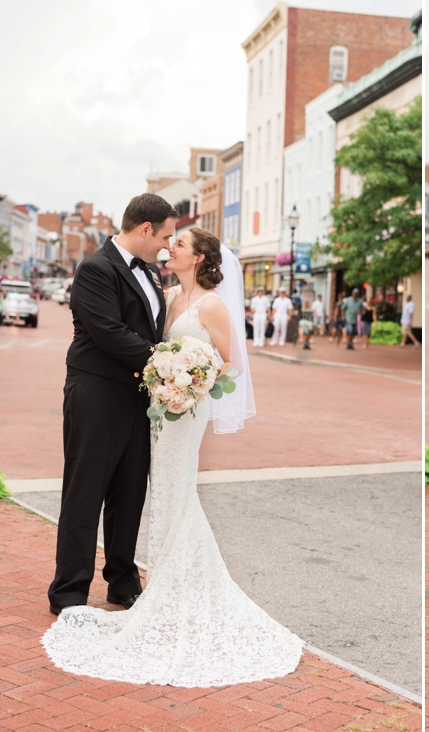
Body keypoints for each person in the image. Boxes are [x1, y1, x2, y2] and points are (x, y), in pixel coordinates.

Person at [43, 227, 302, 686]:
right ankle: (156, 583)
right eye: (168, 239)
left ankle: (165, 584)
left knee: (176, 491)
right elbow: (144, 339)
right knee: (156, 491)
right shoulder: (166, 293)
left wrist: (190, 382)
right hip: (159, 407)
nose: (170, 247)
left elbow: (231, 361)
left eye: (178, 244)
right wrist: (168, 375)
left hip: (185, 408)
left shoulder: (213, 304)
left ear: (200, 258)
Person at [48, 193, 176, 617]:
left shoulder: (153, 274)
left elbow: (151, 329)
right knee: (85, 492)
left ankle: (122, 583)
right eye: (165, 237)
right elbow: (110, 332)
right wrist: (169, 366)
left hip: (139, 397)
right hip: (97, 394)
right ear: (144, 230)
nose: (167, 246)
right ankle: (68, 592)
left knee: (128, 493)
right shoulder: (95, 269)